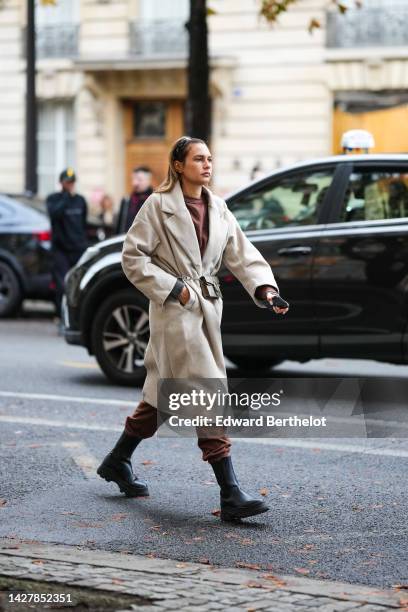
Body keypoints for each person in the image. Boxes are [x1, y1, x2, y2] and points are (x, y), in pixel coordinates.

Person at [97, 136, 289, 522]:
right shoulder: (158, 205)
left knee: (162, 394)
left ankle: (118, 460)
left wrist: (266, 288)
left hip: (206, 308)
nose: (207, 164)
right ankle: (231, 491)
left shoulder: (218, 208)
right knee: (206, 389)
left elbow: (242, 253)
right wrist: (174, 289)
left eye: (210, 158)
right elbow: (133, 258)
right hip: (175, 310)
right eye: (198, 159)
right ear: (179, 165)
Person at [46, 168, 88, 318]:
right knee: (62, 285)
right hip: (60, 250)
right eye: (67, 182)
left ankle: (76, 316)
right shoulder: (53, 199)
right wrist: (66, 197)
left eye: (72, 182)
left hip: (78, 248)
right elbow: (54, 214)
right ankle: (61, 316)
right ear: (61, 183)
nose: (70, 185)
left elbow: (83, 224)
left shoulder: (80, 200)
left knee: (77, 284)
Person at [116, 166, 153, 233]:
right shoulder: (126, 200)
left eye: (139, 179)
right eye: (133, 179)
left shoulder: (155, 201)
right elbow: (119, 227)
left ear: (148, 181)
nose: (135, 183)